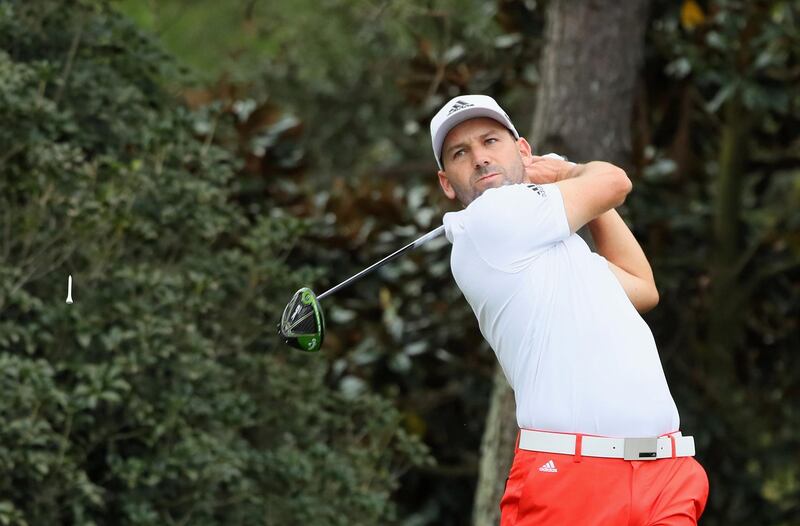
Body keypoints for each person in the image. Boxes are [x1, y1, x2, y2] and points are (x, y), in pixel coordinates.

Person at [429, 95, 709, 525]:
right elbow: (615, 182)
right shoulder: (491, 220)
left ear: (522, 150)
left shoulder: (556, 250)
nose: (481, 160)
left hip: (664, 474)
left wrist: (574, 187)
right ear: (447, 183)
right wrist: (570, 171)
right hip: (570, 481)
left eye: (490, 142)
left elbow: (641, 287)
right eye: (461, 153)